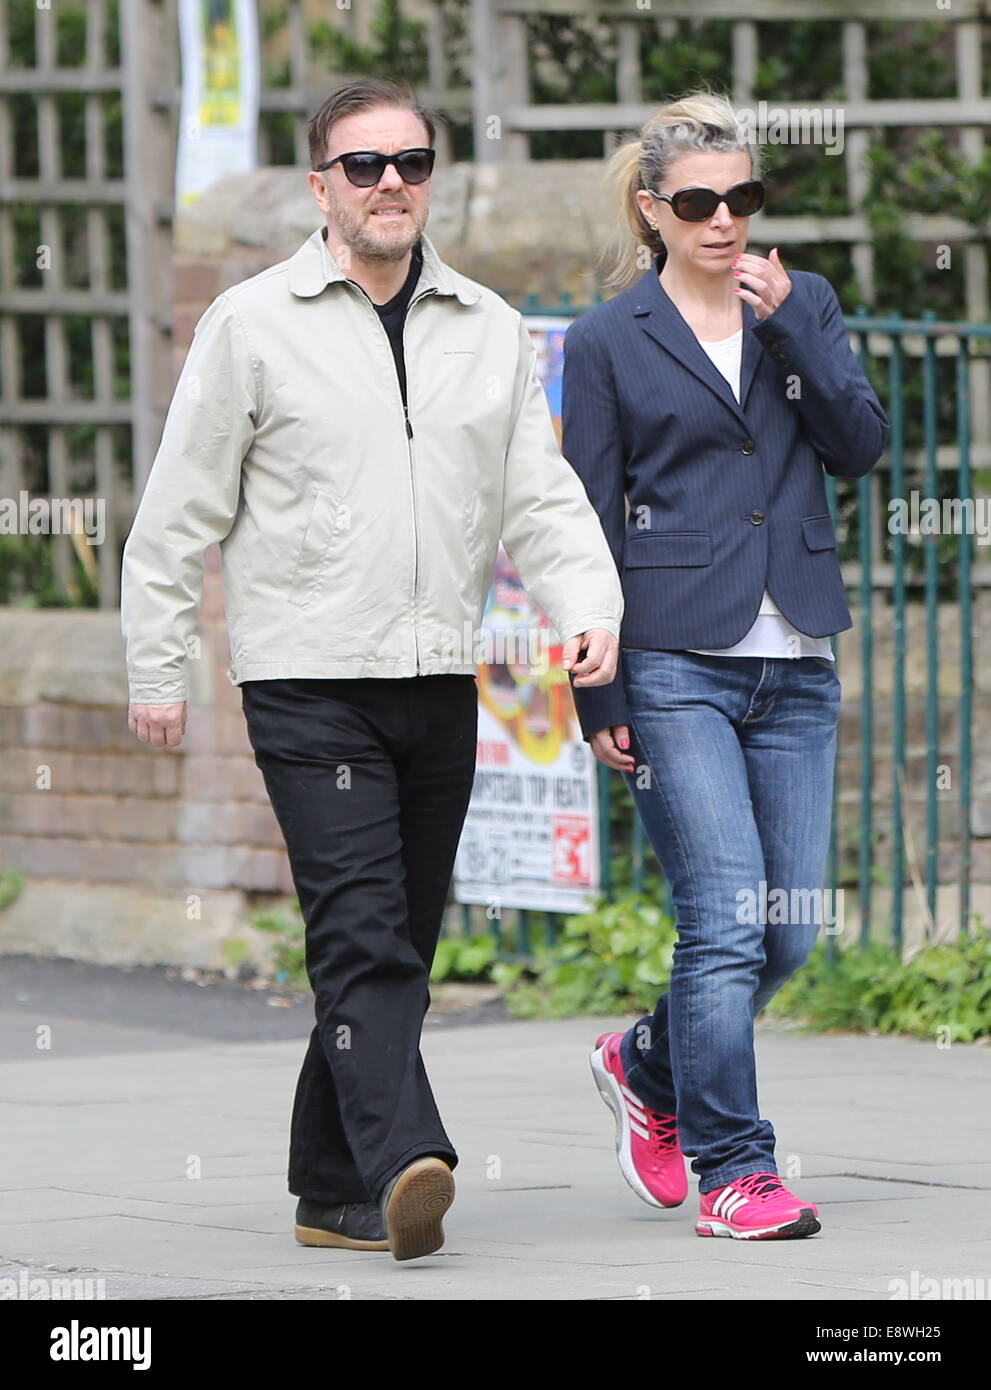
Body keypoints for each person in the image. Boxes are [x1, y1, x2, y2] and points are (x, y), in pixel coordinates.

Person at [120, 78, 624, 1262]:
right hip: (305, 678)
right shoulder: (251, 323)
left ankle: (328, 1186)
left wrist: (590, 604)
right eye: (363, 166)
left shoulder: (487, 327)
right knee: (361, 932)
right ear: (320, 187)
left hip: (437, 673)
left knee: (399, 932)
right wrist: (157, 664)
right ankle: (408, 1155)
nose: (390, 183)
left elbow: (537, 498)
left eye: (412, 161)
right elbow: (175, 513)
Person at [562, 91, 890, 1240]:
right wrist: (594, 685)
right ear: (654, 211)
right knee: (724, 919)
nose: (724, 221)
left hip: (795, 657)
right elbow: (588, 515)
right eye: (697, 203)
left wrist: (794, 322)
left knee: (790, 928)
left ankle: (645, 1064)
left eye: (741, 198)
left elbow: (859, 445)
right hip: (671, 659)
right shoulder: (608, 340)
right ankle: (736, 1171)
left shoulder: (803, 306)